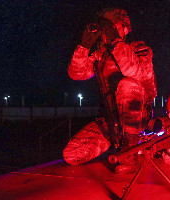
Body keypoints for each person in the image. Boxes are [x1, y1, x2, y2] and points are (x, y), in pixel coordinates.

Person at [63, 8, 157, 174]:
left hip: (138, 117)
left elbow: (133, 71)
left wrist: (115, 41)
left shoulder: (139, 49)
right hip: (113, 121)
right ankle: (120, 142)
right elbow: (76, 74)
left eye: (112, 26)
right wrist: (84, 46)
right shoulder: (101, 55)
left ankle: (131, 149)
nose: (107, 30)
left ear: (125, 29)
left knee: (127, 84)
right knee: (72, 154)